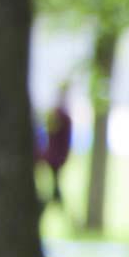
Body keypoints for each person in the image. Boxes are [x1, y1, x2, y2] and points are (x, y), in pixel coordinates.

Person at [41, 82, 72, 213]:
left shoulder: (62, 117)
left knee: (55, 186)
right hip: (54, 155)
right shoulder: (59, 115)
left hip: (56, 156)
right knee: (55, 186)